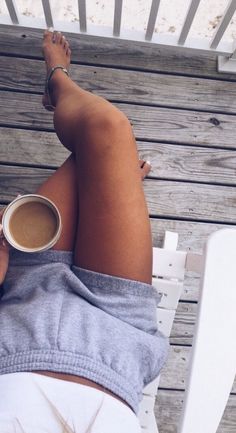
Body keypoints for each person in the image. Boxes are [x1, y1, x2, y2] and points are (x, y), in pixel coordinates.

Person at [0, 30, 169, 432]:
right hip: (116, 325)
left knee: (102, 144)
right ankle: (57, 83)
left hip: (20, 305)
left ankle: (58, 82)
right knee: (109, 130)